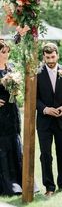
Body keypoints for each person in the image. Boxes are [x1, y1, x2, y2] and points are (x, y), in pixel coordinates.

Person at [36, 42, 62, 196]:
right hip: (44, 122)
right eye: (47, 57)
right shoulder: (37, 74)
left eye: (53, 57)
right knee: (45, 154)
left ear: (57, 55)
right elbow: (34, 98)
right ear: (43, 57)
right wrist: (45, 109)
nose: (51, 60)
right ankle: (49, 187)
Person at [0, 40, 23, 196]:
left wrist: (16, 90)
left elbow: (17, 90)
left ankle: (19, 182)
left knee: (15, 143)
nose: (6, 54)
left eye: (7, 51)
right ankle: (6, 185)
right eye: (3, 52)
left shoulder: (12, 68)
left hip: (12, 111)